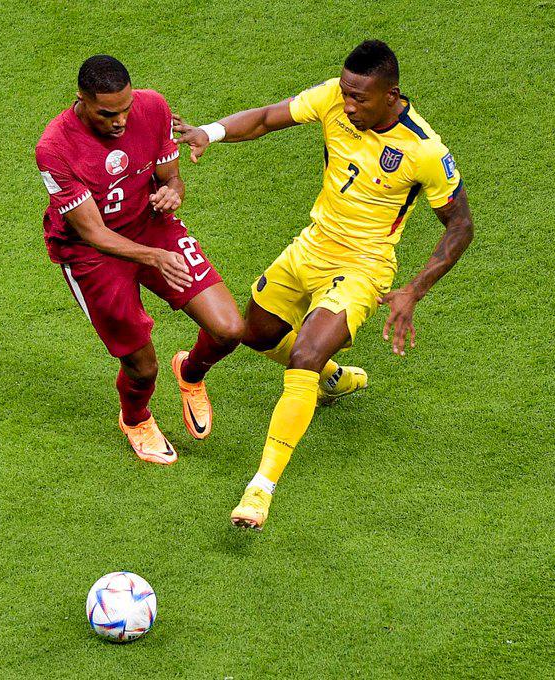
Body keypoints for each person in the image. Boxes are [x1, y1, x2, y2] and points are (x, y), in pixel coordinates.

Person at [174, 40, 474, 528]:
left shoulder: (423, 150)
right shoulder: (336, 96)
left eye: (361, 98)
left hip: (363, 266)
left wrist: (414, 289)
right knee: (256, 335)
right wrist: (211, 132)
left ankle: (259, 489)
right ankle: (333, 379)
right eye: (346, 93)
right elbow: (270, 117)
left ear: (391, 94)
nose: (349, 105)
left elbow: (460, 225)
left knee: (303, 357)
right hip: (310, 248)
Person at [36, 55, 244, 464]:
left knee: (229, 330)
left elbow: (170, 176)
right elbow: (92, 232)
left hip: (150, 227)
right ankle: (135, 419)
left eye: (126, 109)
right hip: (91, 256)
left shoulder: (153, 106)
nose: (121, 122)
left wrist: (174, 192)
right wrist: (155, 258)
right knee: (142, 366)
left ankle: (190, 372)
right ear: (80, 99)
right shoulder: (54, 148)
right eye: (107, 113)